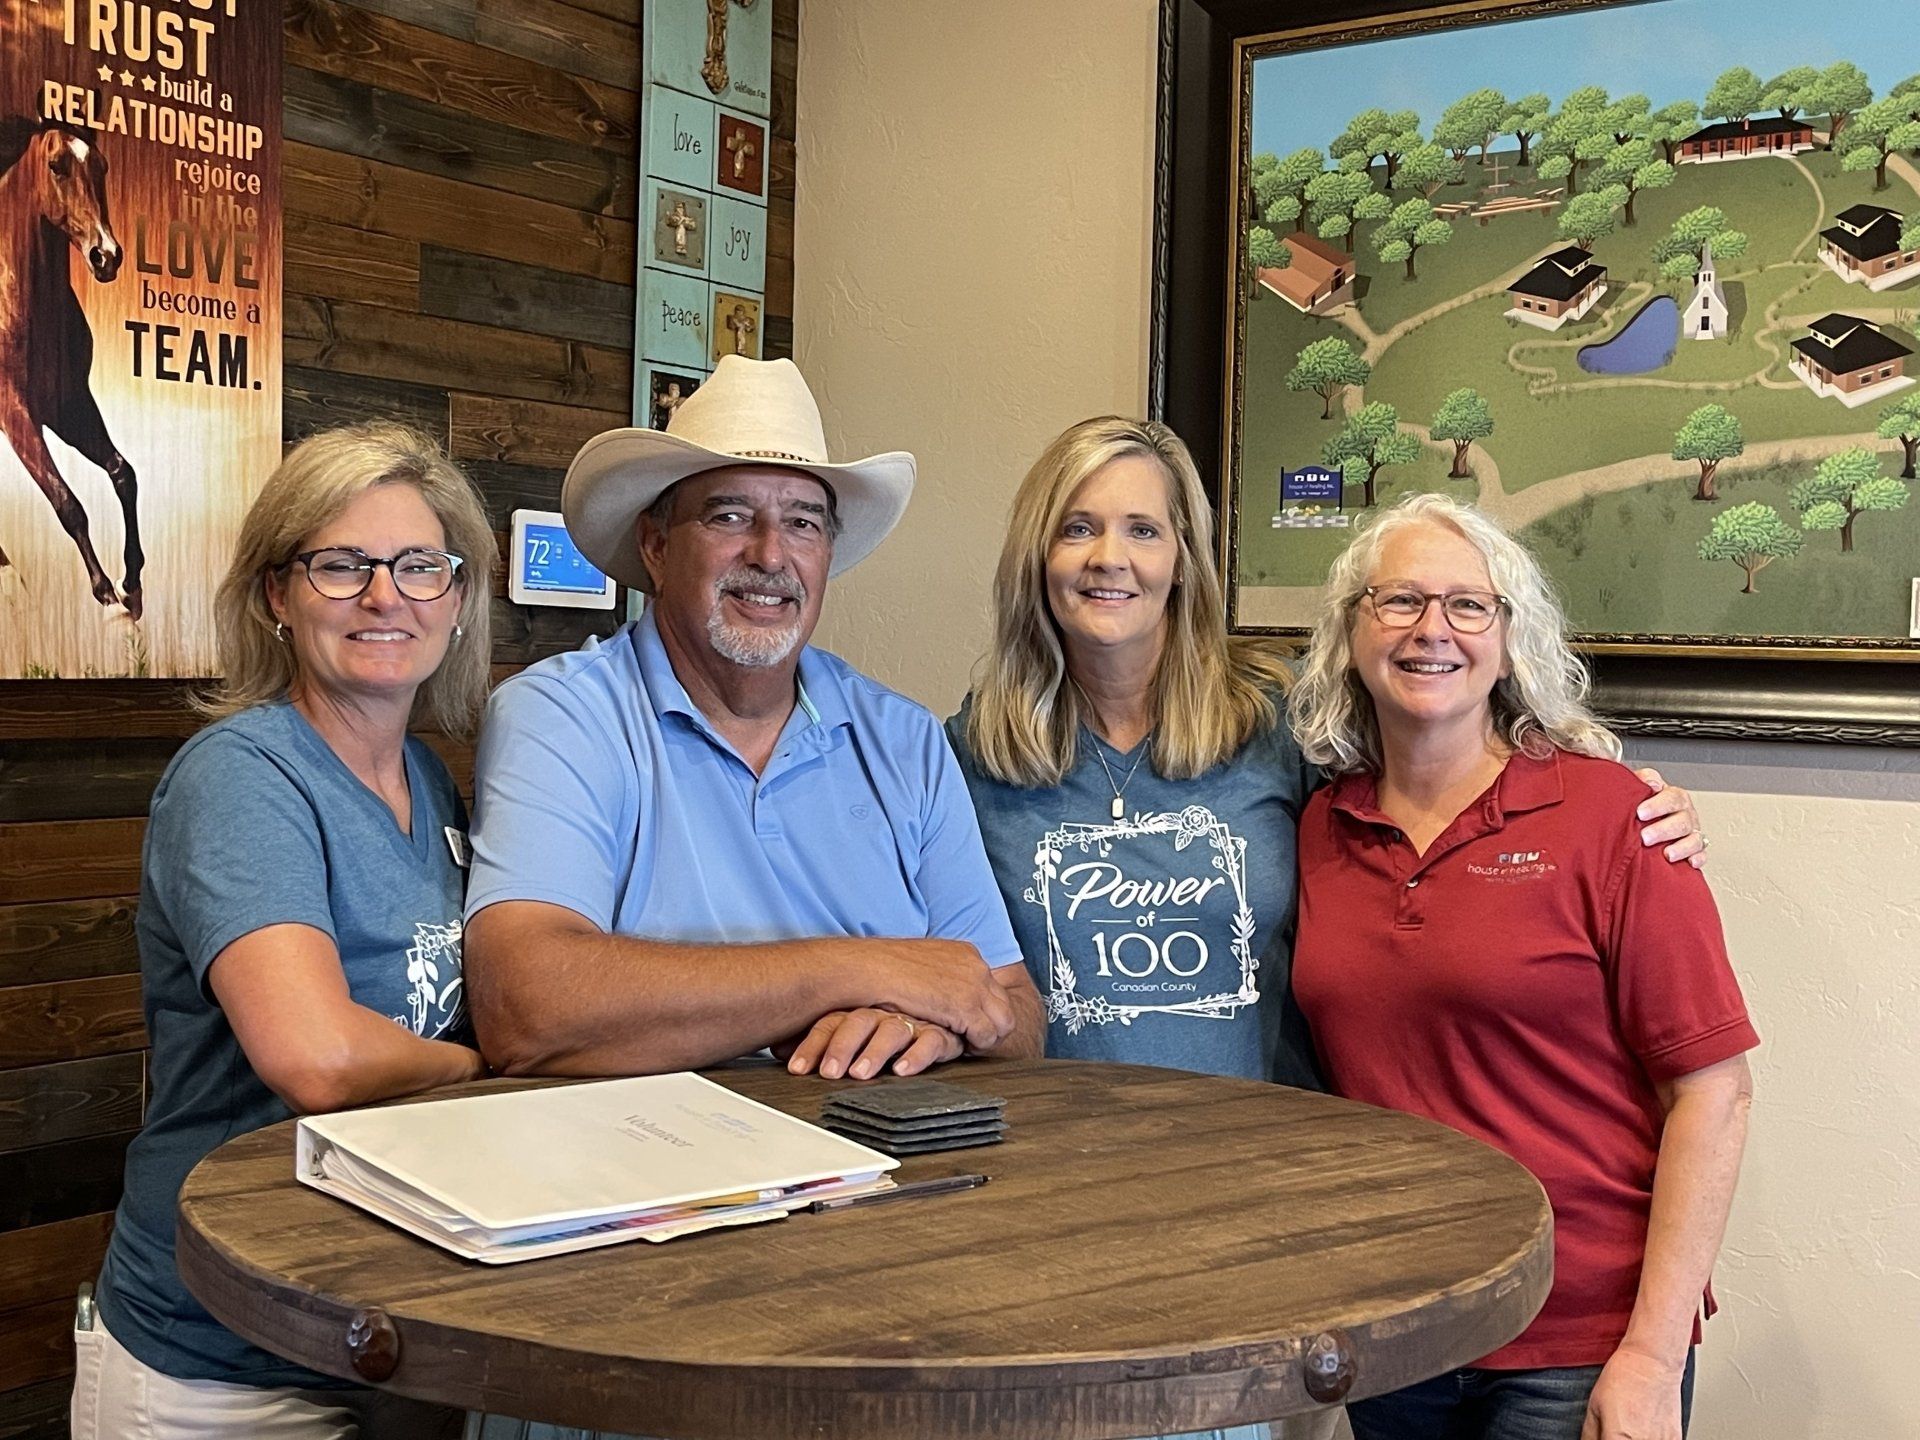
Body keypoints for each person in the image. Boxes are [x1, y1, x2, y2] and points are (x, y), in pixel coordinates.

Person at [945, 417, 1707, 1440]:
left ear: (1185, 562)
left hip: (1278, 1231)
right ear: (1036, 557)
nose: (1109, 557)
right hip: (1067, 1222)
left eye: (1142, 529)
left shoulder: (1271, 729)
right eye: (1077, 527)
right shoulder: (963, 757)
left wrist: (1621, 793)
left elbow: (1438, 756)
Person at [1288, 492, 1756, 1440]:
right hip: (1400, 1330)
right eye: (1400, 601)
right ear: (1351, 631)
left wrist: (1653, 1356)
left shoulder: (1610, 818)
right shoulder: (1320, 824)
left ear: (1510, 638)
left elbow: (1715, 1093)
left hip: (1576, 1339)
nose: (1434, 630)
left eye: (1470, 605)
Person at [74, 423, 496, 1439]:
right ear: (277, 596)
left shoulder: (432, 782)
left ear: (458, 597)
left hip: (372, 1335)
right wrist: (482, 1068)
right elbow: (316, 1056)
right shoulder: (242, 777)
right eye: (341, 566)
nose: (386, 597)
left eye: (418, 567)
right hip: (218, 1362)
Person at [463, 354, 1044, 1085]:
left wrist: (926, 1028)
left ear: (827, 554)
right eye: (730, 515)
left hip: (888, 1155)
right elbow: (526, 1009)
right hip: (645, 1166)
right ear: (656, 544)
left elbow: (1015, 1013)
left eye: (802, 523)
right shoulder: (562, 715)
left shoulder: (906, 738)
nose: (770, 555)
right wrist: (863, 968)